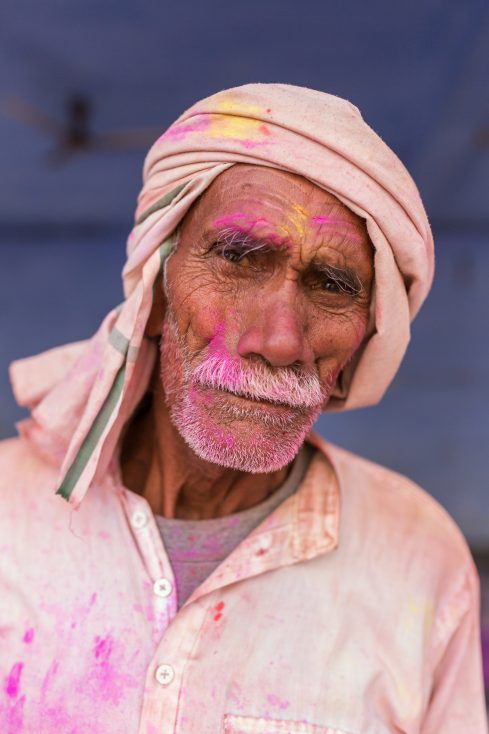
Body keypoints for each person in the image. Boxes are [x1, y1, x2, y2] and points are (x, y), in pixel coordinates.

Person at [0, 84, 486, 733]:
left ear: (368, 336)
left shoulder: (417, 554)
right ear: (157, 286)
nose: (279, 340)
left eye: (332, 285)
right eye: (237, 259)